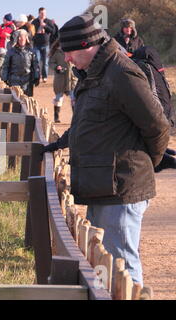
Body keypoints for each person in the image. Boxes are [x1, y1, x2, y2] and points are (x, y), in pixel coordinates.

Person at [45, 13, 170, 288]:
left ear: (88, 44)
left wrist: (149, 162)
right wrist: (58, 143)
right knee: (105, 265)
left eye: (70, 52)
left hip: (122, 189)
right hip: (103, 185)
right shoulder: (93, 73)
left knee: (122, 268)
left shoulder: (121, 73)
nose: (66, 59)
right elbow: (88, 123)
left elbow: (158, 126)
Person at [1, 29, 40, 97]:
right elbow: (5, 66)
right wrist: (4, 78)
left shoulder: (31, 52)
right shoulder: (11, 52)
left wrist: (37, 76)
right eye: (18, 37)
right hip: (14, 81)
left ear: (26, 38)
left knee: (27, 102)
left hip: (27, 81)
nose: (20, 39)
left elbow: (35, 65)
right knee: (15, 102)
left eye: (22, 36)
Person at [49, 40, 77, 123]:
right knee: (58, 98)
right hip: (60, 79)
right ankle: (56, 117)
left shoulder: (74, 51)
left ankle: (75, 118)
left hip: (72, 79)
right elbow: (51, 62)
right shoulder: (57, 52)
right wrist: (56, 67)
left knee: (73, 99)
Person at [31, 7, 58, 83]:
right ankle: (37, 76)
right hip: (36, 45)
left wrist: (45, 26)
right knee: (37, 61)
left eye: (44, 13)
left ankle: (45, 77)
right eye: (42, 13)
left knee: (45, 62)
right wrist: (36, 33)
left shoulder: (48, 21)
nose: (43, 14)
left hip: (46, 44)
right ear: (39, 13)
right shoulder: (34, 22)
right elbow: (31, 33)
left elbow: (53, 31)